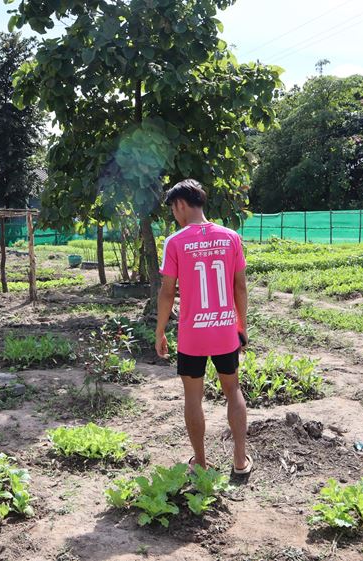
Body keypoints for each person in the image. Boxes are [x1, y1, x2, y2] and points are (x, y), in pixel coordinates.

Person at [154, 179, 252, 475]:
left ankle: (201, 462)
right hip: (224, 331)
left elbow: (167, 292)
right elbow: (241, 287)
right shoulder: (231, 237)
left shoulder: (175, 242)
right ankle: (239, 461)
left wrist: (160, 332)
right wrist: (241, 326)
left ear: (180, 204)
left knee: (192, 397)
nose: (174, 214)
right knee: (232, 390)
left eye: (173, 208)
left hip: (192, 336)